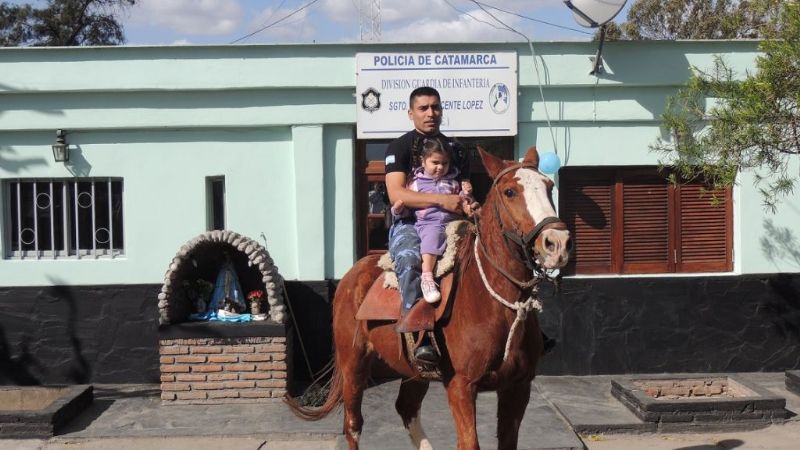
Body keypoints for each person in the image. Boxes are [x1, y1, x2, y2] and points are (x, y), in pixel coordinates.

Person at [384, 87, 470, 363]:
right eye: (423, 108)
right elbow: (396, 194)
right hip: (409, 222)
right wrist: (441, 201)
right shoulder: (398, 147)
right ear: (411, 113)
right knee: (410, 261)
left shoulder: (455, 148)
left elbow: (464, 188)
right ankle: (420, 336)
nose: (431, 113)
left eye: (435, 107)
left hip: (453, 221)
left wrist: (469, 203)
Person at [390, 138, 475, 303]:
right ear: (423, 161)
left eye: (445, 163)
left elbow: (462, 200)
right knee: (433, 235)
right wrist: (398, 209)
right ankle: (427, 277)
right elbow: (407, 207)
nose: (440, 167)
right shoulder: (415, 183)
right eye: (435, 162)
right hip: (429, 222)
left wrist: (467, 197)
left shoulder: (452, 182)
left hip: (454, 222)